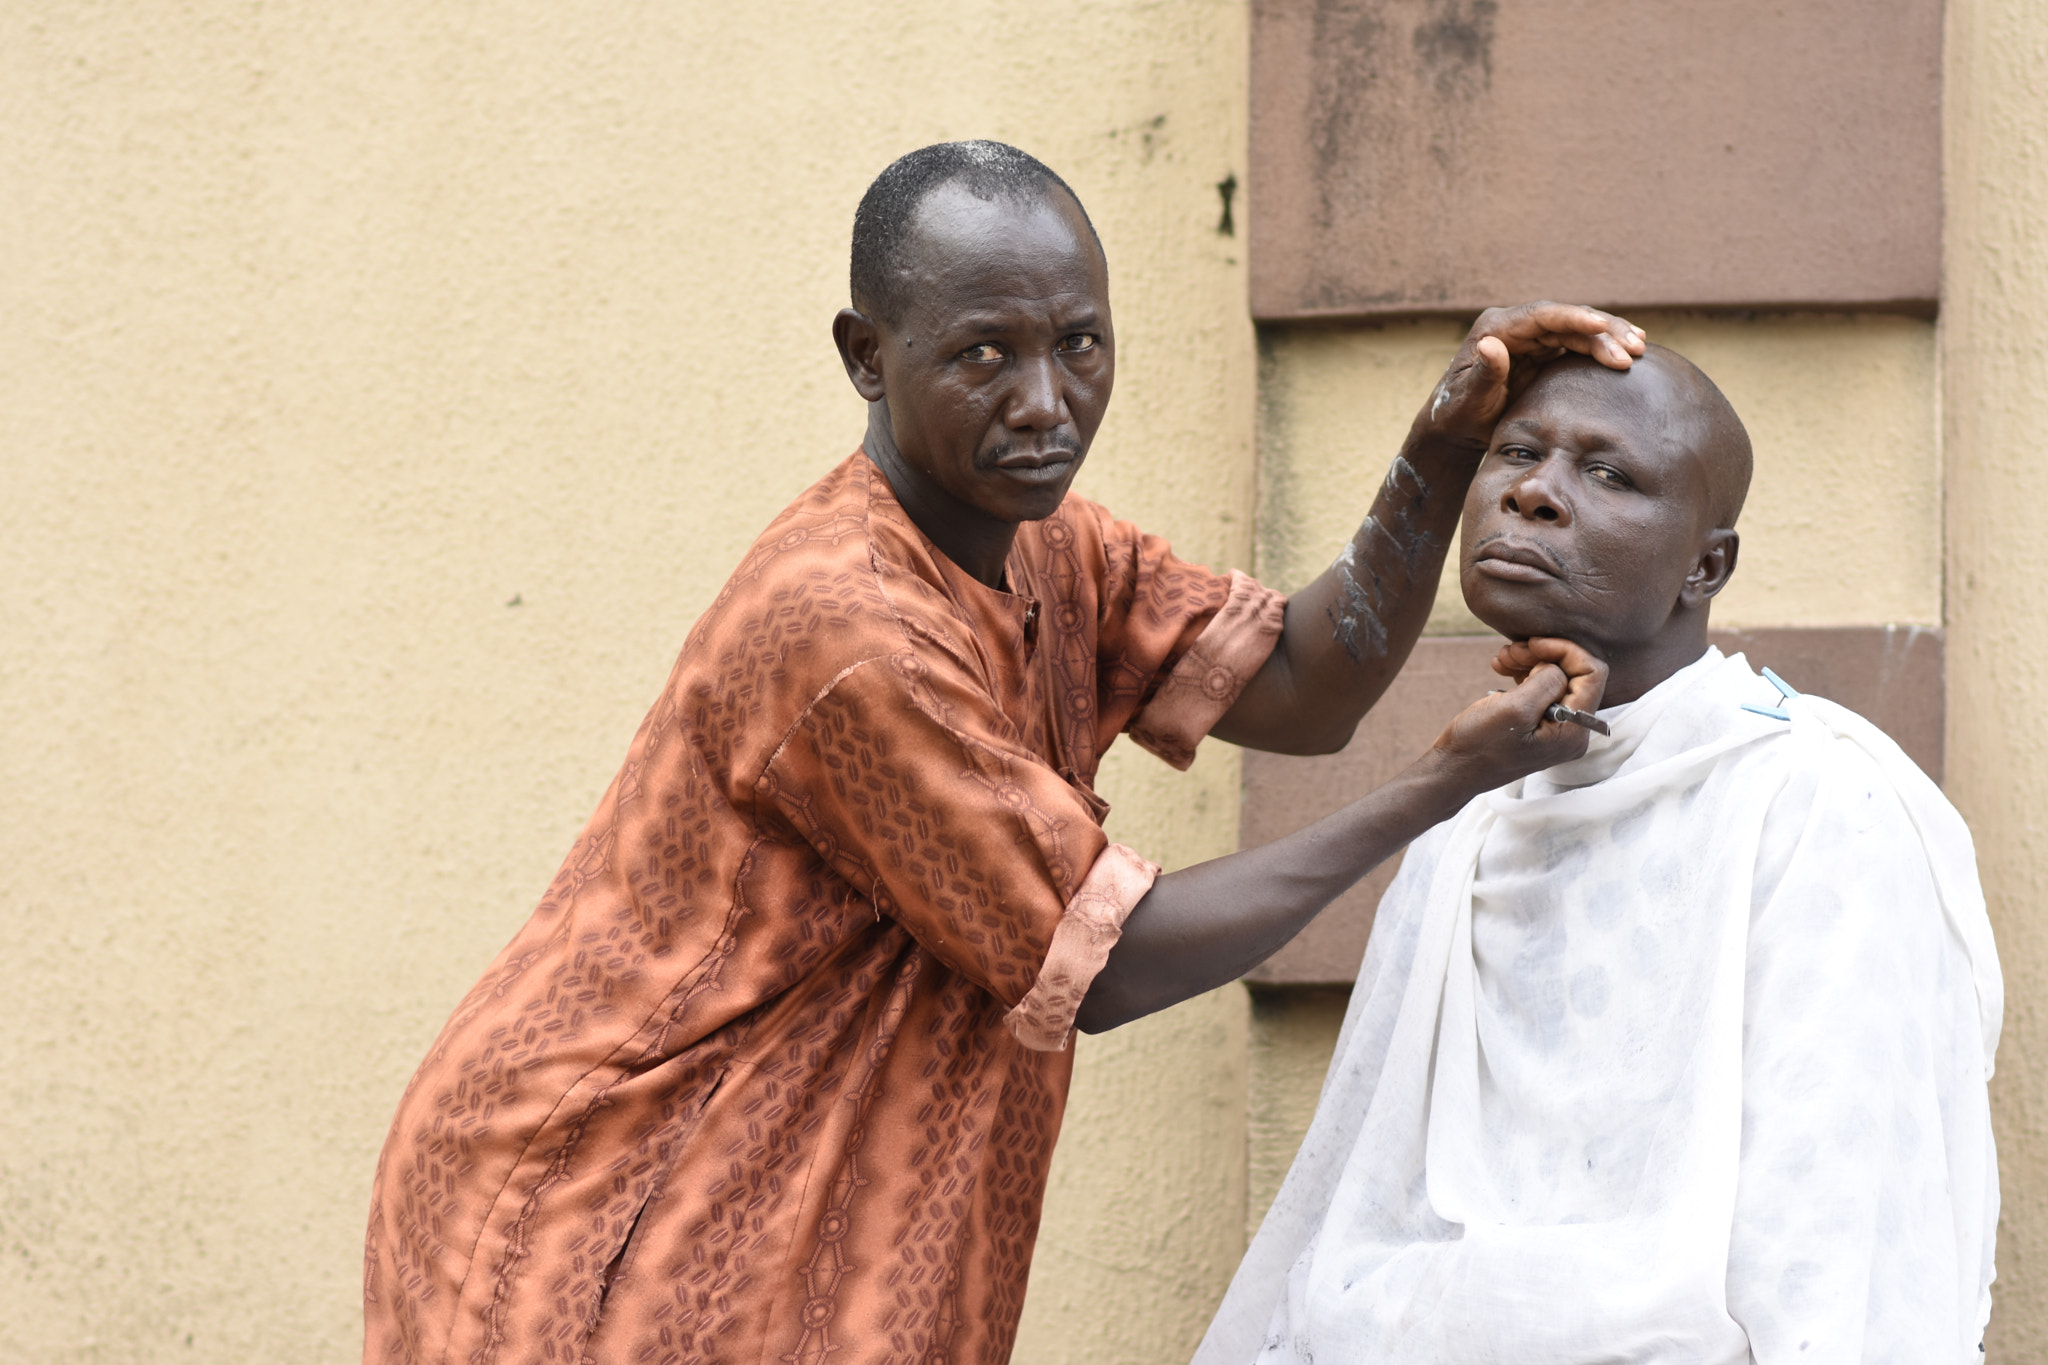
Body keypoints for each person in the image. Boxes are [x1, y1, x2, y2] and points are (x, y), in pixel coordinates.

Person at [360, 139, 1641, 1365]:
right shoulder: (848, 629)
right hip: (613, 1206)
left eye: (1078, 344)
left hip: (790, 1193)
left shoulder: (1043, 543)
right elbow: (1108, 967)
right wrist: (1438, 786)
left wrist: (1441, 443)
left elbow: (1305, 688)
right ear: (867, 357)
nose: (1047, 402)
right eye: (984, 354)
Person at [1195, 347, 2003, 1364]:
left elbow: (1837, 1249)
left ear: (1704, 567)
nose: (1532, 491)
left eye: (1607, 474)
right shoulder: (1471, 813)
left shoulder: (1814, 798)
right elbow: (1357, 1199)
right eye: (1513, 452)